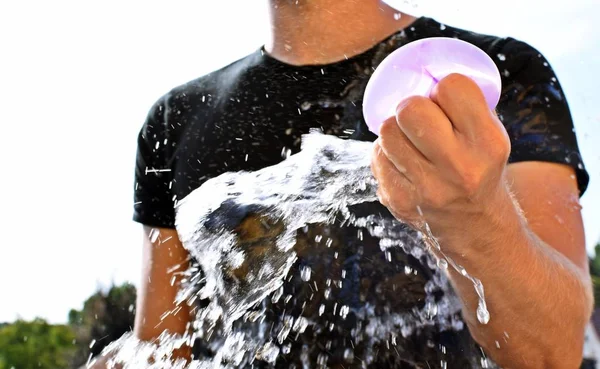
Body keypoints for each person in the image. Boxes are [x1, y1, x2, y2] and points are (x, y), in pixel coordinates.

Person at [124, 1, 592, 368]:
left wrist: (474, 219)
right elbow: (161, 348)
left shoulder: (495, 74)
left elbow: (552, 355)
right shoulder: (173, 120)